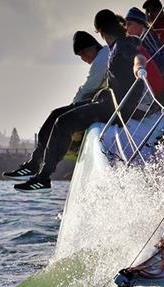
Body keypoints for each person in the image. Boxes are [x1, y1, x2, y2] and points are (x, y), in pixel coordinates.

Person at [13, 10, 144, 192]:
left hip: (117, 108)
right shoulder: (118, 45)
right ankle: (35, 165)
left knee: (63, 122)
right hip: (108, 102)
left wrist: (139, 67)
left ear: (101, 31)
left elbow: (137, 56)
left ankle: (43, 177)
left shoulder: (123, 46)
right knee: (57, 114)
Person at [3, 31, 109, 181]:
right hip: (99, 100)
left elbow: (89, 87)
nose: (84, 59)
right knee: (55, 115)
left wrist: (73, 105)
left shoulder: (101, 59)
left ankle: (41, 170)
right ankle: (34, 164)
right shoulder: (103, 55)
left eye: (83, 54)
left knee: (60, 120)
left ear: (92, 47)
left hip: (103, 104)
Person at [124, 7, 164, 105]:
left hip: (161, 93)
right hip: (160, 90)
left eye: (129, 24)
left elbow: (162, 63)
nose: (126, 28)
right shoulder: (146, 37)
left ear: (140, 24)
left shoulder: (146, 39)